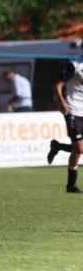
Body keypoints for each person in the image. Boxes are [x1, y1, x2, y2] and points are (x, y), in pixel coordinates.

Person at [50, 54, 83, 192]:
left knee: (78, 149)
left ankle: (57, 146)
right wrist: (62, 102)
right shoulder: (74, 65)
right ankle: (71, 186)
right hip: (74, 110)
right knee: (79, 149)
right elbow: (58, 85)